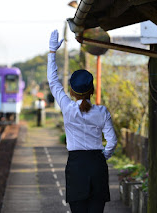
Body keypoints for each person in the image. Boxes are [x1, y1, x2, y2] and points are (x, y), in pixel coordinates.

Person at [47, 29, 117, 213]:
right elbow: (112, 142)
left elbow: (53, 82)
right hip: (97, 165)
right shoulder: (102, 112)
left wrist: (52, 52)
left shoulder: (68, 109)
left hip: (76, 166)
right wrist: (103, 156)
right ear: (91, 90)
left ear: (71, 91)